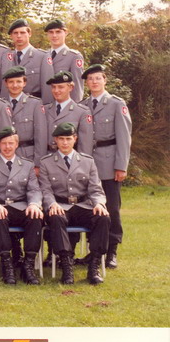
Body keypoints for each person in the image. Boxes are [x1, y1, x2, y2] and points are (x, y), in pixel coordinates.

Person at [39, 122, 110, 285]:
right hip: (60, 206)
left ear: (75, 139)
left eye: (68, 139)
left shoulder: (87, 161)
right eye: (61, 139)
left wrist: (99, 203)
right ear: (55, 140)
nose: (65, 142)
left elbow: (95, 188)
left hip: (83, 205)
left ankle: (94, 266)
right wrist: (51, 204)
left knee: (103, 218)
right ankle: (66, 265)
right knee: (55, 217)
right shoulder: (46, 162)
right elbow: (45, 190)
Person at [80, 64, 132, 268]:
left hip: (109, 163)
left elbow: (124, 137)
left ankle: (111, 251)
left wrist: (121, 166)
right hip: (87, 164)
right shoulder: (83, 105)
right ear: (86, 83)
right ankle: (94, 251)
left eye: (98, 78)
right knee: (90, 208)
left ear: (105, 80)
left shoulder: (116, 104)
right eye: (90, 79)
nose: (94, 82)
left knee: (111, 208)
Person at [0, 127, 43, 285]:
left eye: (11, 143)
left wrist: (34, 204)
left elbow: (34, 190)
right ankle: (7, 265)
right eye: (4, 143)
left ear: (17, 144)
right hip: (0, 206)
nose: (7, 147)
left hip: (21, 206)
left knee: (35, 217)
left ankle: (28, 265)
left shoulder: (27, 165)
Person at [0, 66, 47, 163]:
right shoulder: (0, 104)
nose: (15, 85)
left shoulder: (35, 104)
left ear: (24, 83)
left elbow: (40, 135)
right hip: (5, 155)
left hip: (28, 156)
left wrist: (38, 162)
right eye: (11, 82)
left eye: (18, 81)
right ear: (6, 83)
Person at [44, 71, 93, 162]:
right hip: (47, 160)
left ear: (70, 87)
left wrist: (82, 164)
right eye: (53, 87)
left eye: (61, 87)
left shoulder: (82, 111)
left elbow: (85, 144)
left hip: (70, 160)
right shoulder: (45, 110)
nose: (56, 91)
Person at [8, 19, 52, 103]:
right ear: (11, 36)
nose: (19, 36)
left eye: (22, 32)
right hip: (11, 104)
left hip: (33, 105)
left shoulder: (42, 56)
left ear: (29, 34)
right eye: (15, 33)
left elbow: (47, 87)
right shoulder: (7, 57)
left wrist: (46, 107)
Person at [44, 19, 84, 101]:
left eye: (58, 32)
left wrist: (74, 106)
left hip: (64, 104)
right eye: (51, 32)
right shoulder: (43, 55)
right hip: (45, 104)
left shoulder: (74, 56)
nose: (54, 35)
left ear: (65, 32)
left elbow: (77, 87)